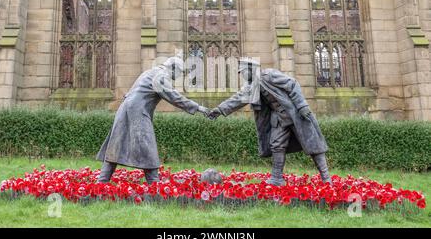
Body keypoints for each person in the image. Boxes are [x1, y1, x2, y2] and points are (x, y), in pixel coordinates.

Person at [208, 58, 332, 186]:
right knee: (276, 144)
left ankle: (326, 179)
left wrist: (302, 105)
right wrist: (218, 110)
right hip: (278, 118)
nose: (243, 75)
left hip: (294, 113)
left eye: (244, 71)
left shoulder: (269, 75)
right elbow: (238, 99)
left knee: (313, 144)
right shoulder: (253, 86)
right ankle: (277, 178)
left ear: (252, 69)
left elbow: (292, 83)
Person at [96, 56, 210, 184]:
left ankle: (102, 182)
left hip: (124, 109)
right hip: (138, 112)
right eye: (179, 72)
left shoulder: (150, 72)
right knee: (147, 146)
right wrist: (198, 107)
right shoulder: (161, 77)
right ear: (172, 68)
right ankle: (154, 183)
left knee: (116, 145)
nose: (179, 76)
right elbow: (174, 97)